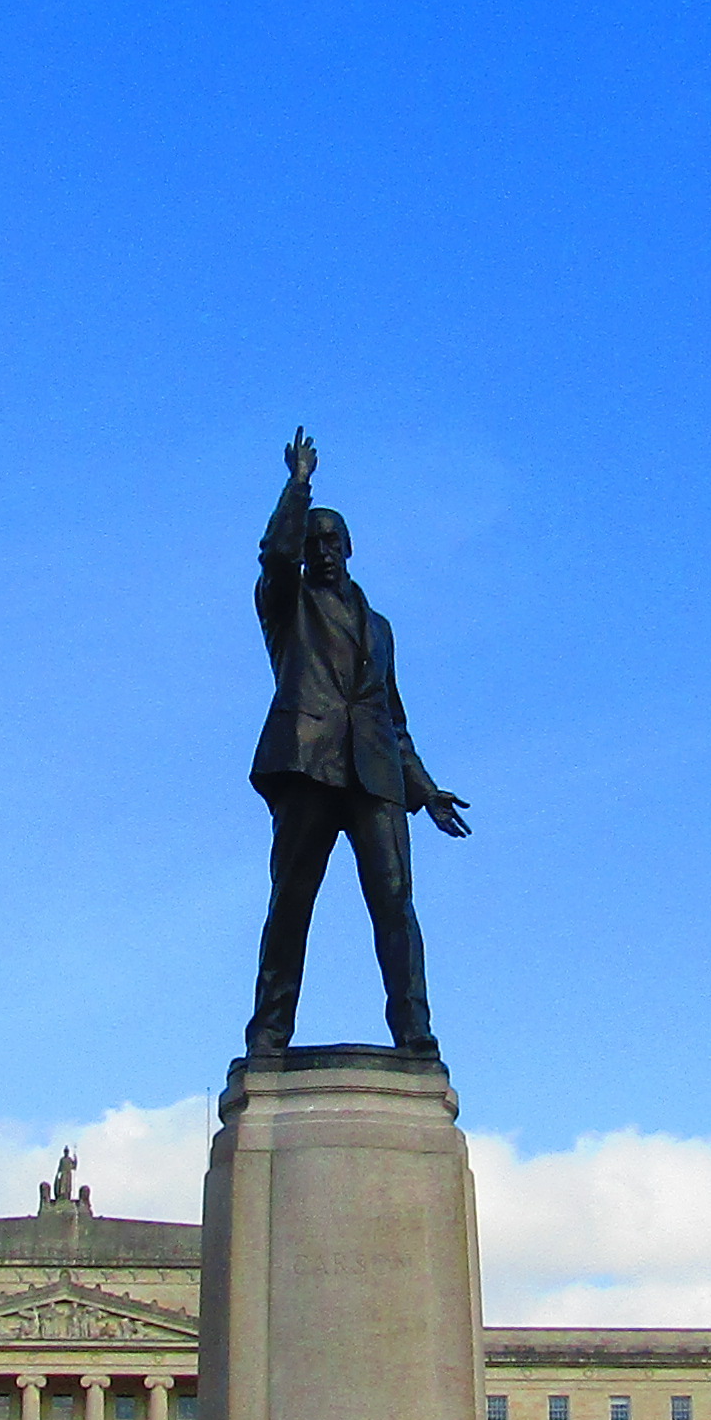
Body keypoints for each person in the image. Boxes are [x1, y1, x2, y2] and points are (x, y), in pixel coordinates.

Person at [244, 428, 470, 1058]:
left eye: (331, 541)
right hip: (308, 765)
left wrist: (424, 790)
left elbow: (392, 716)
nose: (321, 551)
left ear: (349, 548)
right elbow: (274, 556)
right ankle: (268, 1033)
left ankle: (415, 1035)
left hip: (375, 776)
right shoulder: (285, 606)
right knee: (291, 905)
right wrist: (298, 487)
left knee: (396, 906)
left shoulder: (380, 628)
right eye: (312, 542)